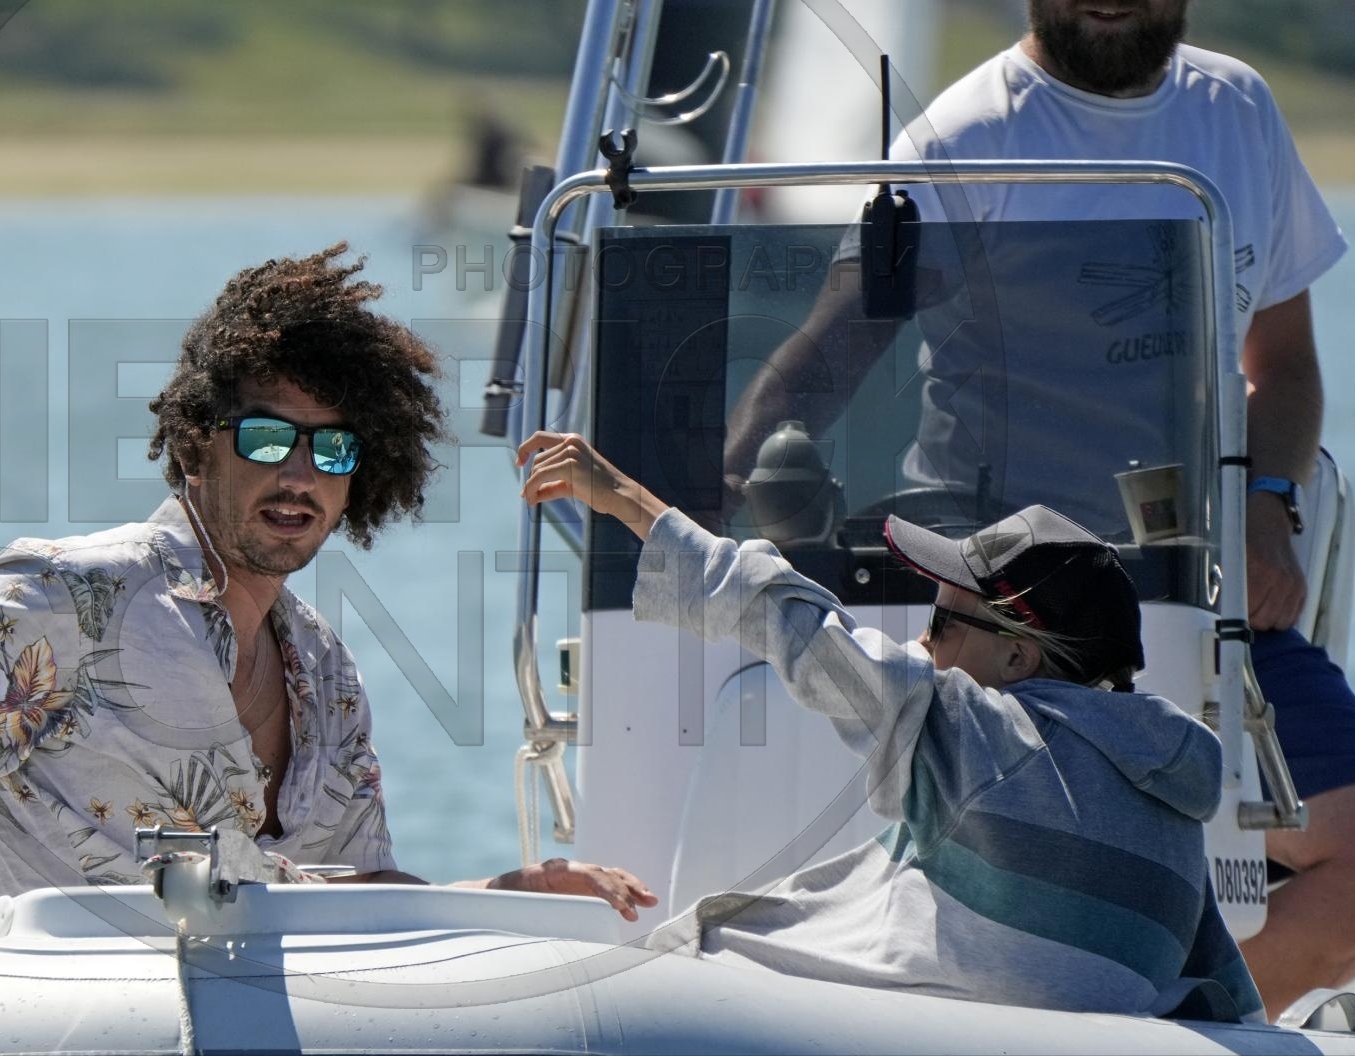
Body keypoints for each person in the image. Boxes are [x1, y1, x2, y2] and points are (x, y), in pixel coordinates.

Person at [719, 0, 1355, 1015]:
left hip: (1204, 586)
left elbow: (1283, 365)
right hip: (1020, 604)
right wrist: (735, 477)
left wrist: (1270, 502)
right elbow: (823, 357)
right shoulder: (960, 142)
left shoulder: (1238, 110)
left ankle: (1172, 1030)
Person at [0, 244, 656, 973]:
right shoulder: (70, 600)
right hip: (69, 1017)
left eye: (333, 448)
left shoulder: (324, 670)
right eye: (267, 437)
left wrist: (512, 893)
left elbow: (354, 894)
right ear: (194, 445)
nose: (300, 474)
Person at [520, 429, 1263, 1019]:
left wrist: (625, 499)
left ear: (1017, 657)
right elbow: (1228, 999)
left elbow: (792, 622)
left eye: (944, 622)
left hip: (867, 1025)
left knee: (667, 963)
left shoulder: (983, 736)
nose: (925, 641)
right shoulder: (1173, 804)